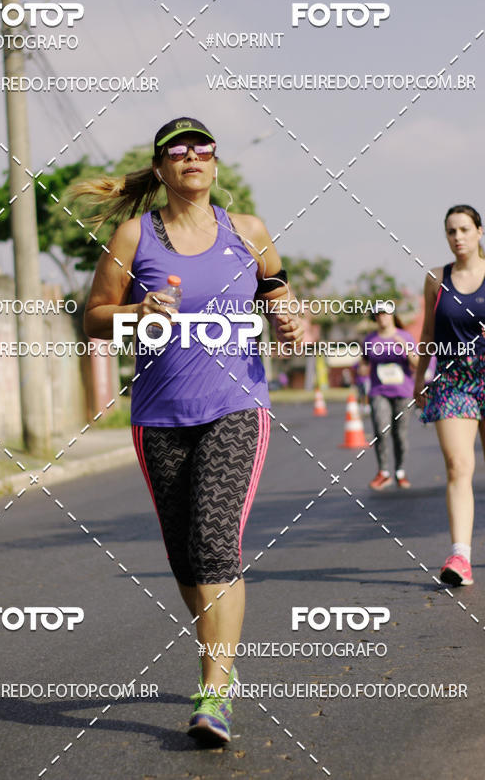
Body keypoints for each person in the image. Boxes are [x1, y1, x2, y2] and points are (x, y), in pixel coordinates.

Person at [78, 117, 303, 744]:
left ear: (214, 162)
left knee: (212, 539)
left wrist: (287, 319)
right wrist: (134, 311)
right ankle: (220, 655)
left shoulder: (246, 230)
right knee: (184, 554)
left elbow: (276, 287)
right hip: (158, 414)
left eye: (203, 148)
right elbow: (93, 318)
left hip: (236, 405)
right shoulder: (132, 236)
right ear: (161, 168)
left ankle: (215, 691)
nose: (193, 158)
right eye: (179, 151)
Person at [414, 204, 485, 586]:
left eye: (464, 229)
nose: (458, 237)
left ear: (479, 231)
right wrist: (418, 379)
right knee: (458, 466)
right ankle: (461, 556)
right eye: (451, 231)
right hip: (453, 381)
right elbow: (427, 333)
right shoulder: (435, 278)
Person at [359, 302, 418, 489]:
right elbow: (363, 364)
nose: (382, 317)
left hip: (403, 393)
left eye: (385, 313)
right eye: (378, 314)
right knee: (381, 430)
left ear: (392, 315)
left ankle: (400, 472)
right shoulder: (370, 340)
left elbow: (417, 363)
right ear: (375, 317)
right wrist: (359, 369)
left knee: (400, 434)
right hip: (379, 392)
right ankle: (383, 472)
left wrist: (405, 349)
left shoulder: (405, 336)